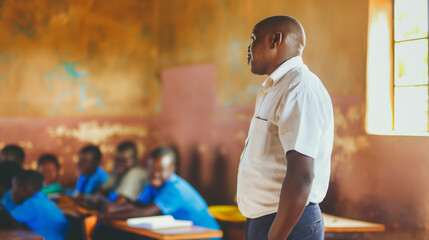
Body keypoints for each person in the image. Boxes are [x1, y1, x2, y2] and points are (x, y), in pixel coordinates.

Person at [237, 15, 334, 240]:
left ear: (275, 40)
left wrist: (276, 235)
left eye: (253, 39)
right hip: (267, 221)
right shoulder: (276, 88)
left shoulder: (299, 88)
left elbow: (302, 175)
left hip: (288, 225)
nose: (248, 48)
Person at [99, 146, 220, 231]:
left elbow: (145, 212)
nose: (155, 174)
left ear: (172, 170)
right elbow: (138, 205)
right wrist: (113, 208)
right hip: (182, 233)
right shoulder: (152, 185)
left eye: (161, 170)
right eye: (151, 170)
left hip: (205, 236)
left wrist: (108, 216)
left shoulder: (175, 189)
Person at [1, 170, 69, 240]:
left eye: (13, 187)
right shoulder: (41, 199)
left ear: (23, 190)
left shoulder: (32, 204)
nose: (11, 191)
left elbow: (7, 219)